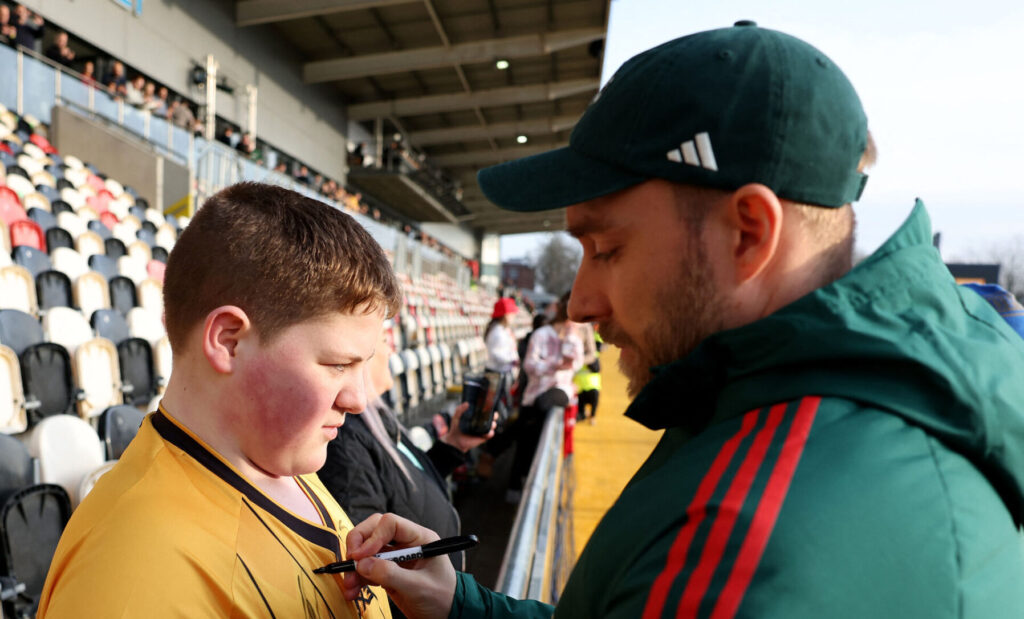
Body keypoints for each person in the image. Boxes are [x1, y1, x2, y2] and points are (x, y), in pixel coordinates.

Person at [339, 22, 1024, 618]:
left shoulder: (750, 545)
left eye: (607, 249)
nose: (579, 302)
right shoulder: (849, 398)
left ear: (748, 234)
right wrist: (462, 604)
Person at [37, 182, 401, 618]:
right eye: (338, 365)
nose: (359, 399)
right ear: (229, 340)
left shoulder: (276, 456)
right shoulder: (135, 575)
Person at [318, 330, 494, 574]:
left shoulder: (375, 420)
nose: (392, 350)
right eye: (383, 341)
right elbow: (368, 557)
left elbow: (402, 486)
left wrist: (454, 445)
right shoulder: (345, 444)